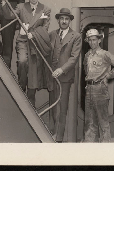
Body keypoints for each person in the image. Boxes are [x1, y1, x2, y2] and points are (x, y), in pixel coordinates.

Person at [0, 0, 51, 107]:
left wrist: (34, 34)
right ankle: (21, 86)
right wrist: (4, 2)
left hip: (36, 43)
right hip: (23, 41)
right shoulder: (21, 7)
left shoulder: (46, 9)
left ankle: (31, 100)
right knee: (22, 61)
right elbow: (9, 15)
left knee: (33, 74)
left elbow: (45, 28)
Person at [83, 29, 114, 143]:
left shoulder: (105, 54)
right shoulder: (87, 55)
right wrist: (89, 82)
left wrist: (107, 77)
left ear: (99, 40)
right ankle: (89, 146)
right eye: (90, 40)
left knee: (103, 121)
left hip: (100, 90)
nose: (92, 42)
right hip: (89, 89)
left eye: (94, 40)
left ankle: (105, 149)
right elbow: (87, 70)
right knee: (89, 121)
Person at [48, 8, 82, 142]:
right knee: (52, 107)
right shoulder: (52, 34)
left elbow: (74, 58)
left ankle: (59, 139)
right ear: (58, 20)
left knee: (62, 110)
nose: (64, 21)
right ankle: (50, 134)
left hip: (64, 78)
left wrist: (61, 70)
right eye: (61, 18)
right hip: (52, 77)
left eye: (66, 19)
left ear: (70, 21)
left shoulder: (76, 36)